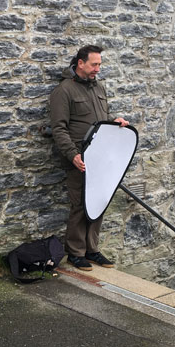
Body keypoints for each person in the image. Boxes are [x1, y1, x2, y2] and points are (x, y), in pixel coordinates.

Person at [50, 45, 128, 271]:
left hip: (101, 158)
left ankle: (92, 250)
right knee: (80, 205)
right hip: (80, 160)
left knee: (98, 203)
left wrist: (115, 120)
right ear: (80, 63)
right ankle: (75, 253)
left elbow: (101, 118)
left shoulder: (99, 88)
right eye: (94, 64)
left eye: (100, 64)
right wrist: (72, 154)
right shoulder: (63, 91)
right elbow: (59, 128)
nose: (97, 69)